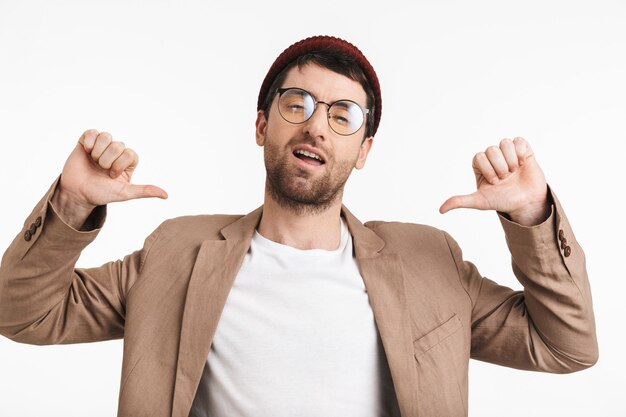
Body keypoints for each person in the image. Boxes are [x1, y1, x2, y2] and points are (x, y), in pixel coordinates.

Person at [0, 35, 597, 417]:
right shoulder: (177, 251)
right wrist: (72, 205)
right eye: (297, 105)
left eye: (343, 116)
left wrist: (532, 217)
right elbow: (21, 314)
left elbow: (566, 347)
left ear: (363, 150)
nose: (316, 127)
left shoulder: (429, 261)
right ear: (262, 125)